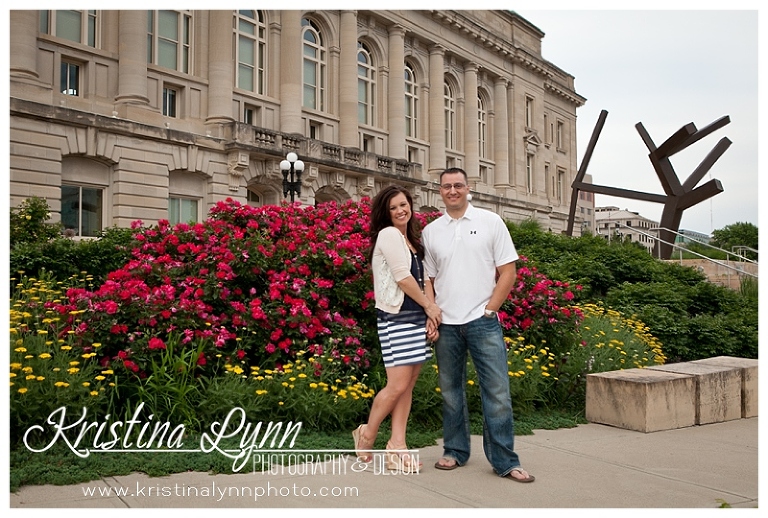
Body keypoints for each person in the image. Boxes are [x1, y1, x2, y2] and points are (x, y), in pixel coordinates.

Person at [422, 167, 535, 483]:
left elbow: (508, 272)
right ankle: (455, 451)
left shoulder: (490, 222)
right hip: (446, 325)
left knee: (497, 393)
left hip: (482, 323)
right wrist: (432, 313)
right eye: (447, 186)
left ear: (468, 188)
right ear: (440, 191)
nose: (453, 190)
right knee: (450, 392)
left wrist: (489, 310)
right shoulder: (432, 231)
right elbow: (429, 279)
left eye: (458, 185)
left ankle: (505, 461)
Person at [352, 185, 442, 473]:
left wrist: (431, 314)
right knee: (397, 385)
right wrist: (429, 307)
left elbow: (425, 278)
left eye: (404, 204)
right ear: (385, 213)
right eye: (394, 207)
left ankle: (397, 445)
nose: (401, 210)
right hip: (396, 317)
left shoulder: (412, 240)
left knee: (409, 384)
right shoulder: (388, 235)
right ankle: (367, 434)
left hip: (417, 317)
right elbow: (403, 278)